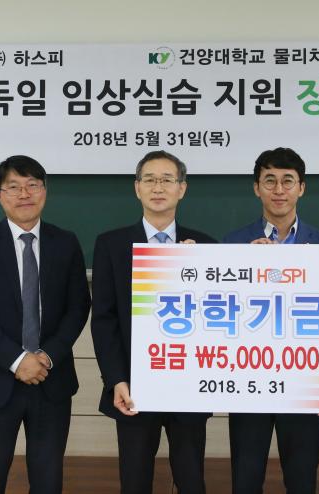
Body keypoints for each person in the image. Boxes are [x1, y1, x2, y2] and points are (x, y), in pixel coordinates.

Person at [0, 155, 91, 493]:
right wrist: (18, 360)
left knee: (48, 482)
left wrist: (47, 356)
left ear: (44, 191)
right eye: (14, 187)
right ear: (0, 195)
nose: (24, 194)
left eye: (32, 185)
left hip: (51, 378)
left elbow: (78, 307)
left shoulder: (66, 242)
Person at [91, 150, 215, 494]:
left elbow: (216, 321)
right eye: (149, 179)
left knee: (191, 479)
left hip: (188, 385)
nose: (158, 187)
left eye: (167, 180)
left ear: (182, 189)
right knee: (134, 480)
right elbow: (104, 320)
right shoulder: (111, 244)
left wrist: (196, 272)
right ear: (137, 188)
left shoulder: (205, 245)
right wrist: (116, 379)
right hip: (134, 386)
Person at [223, 147, 319, 494]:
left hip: (304, 383)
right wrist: (246, 270)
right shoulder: (233, 244)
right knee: (245, 479)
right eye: (269, 181)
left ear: (302, 188)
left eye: (288, 181)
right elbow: (220, 316)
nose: (279, 190)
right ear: (257, 188)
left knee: (302, 480)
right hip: (248, 380)